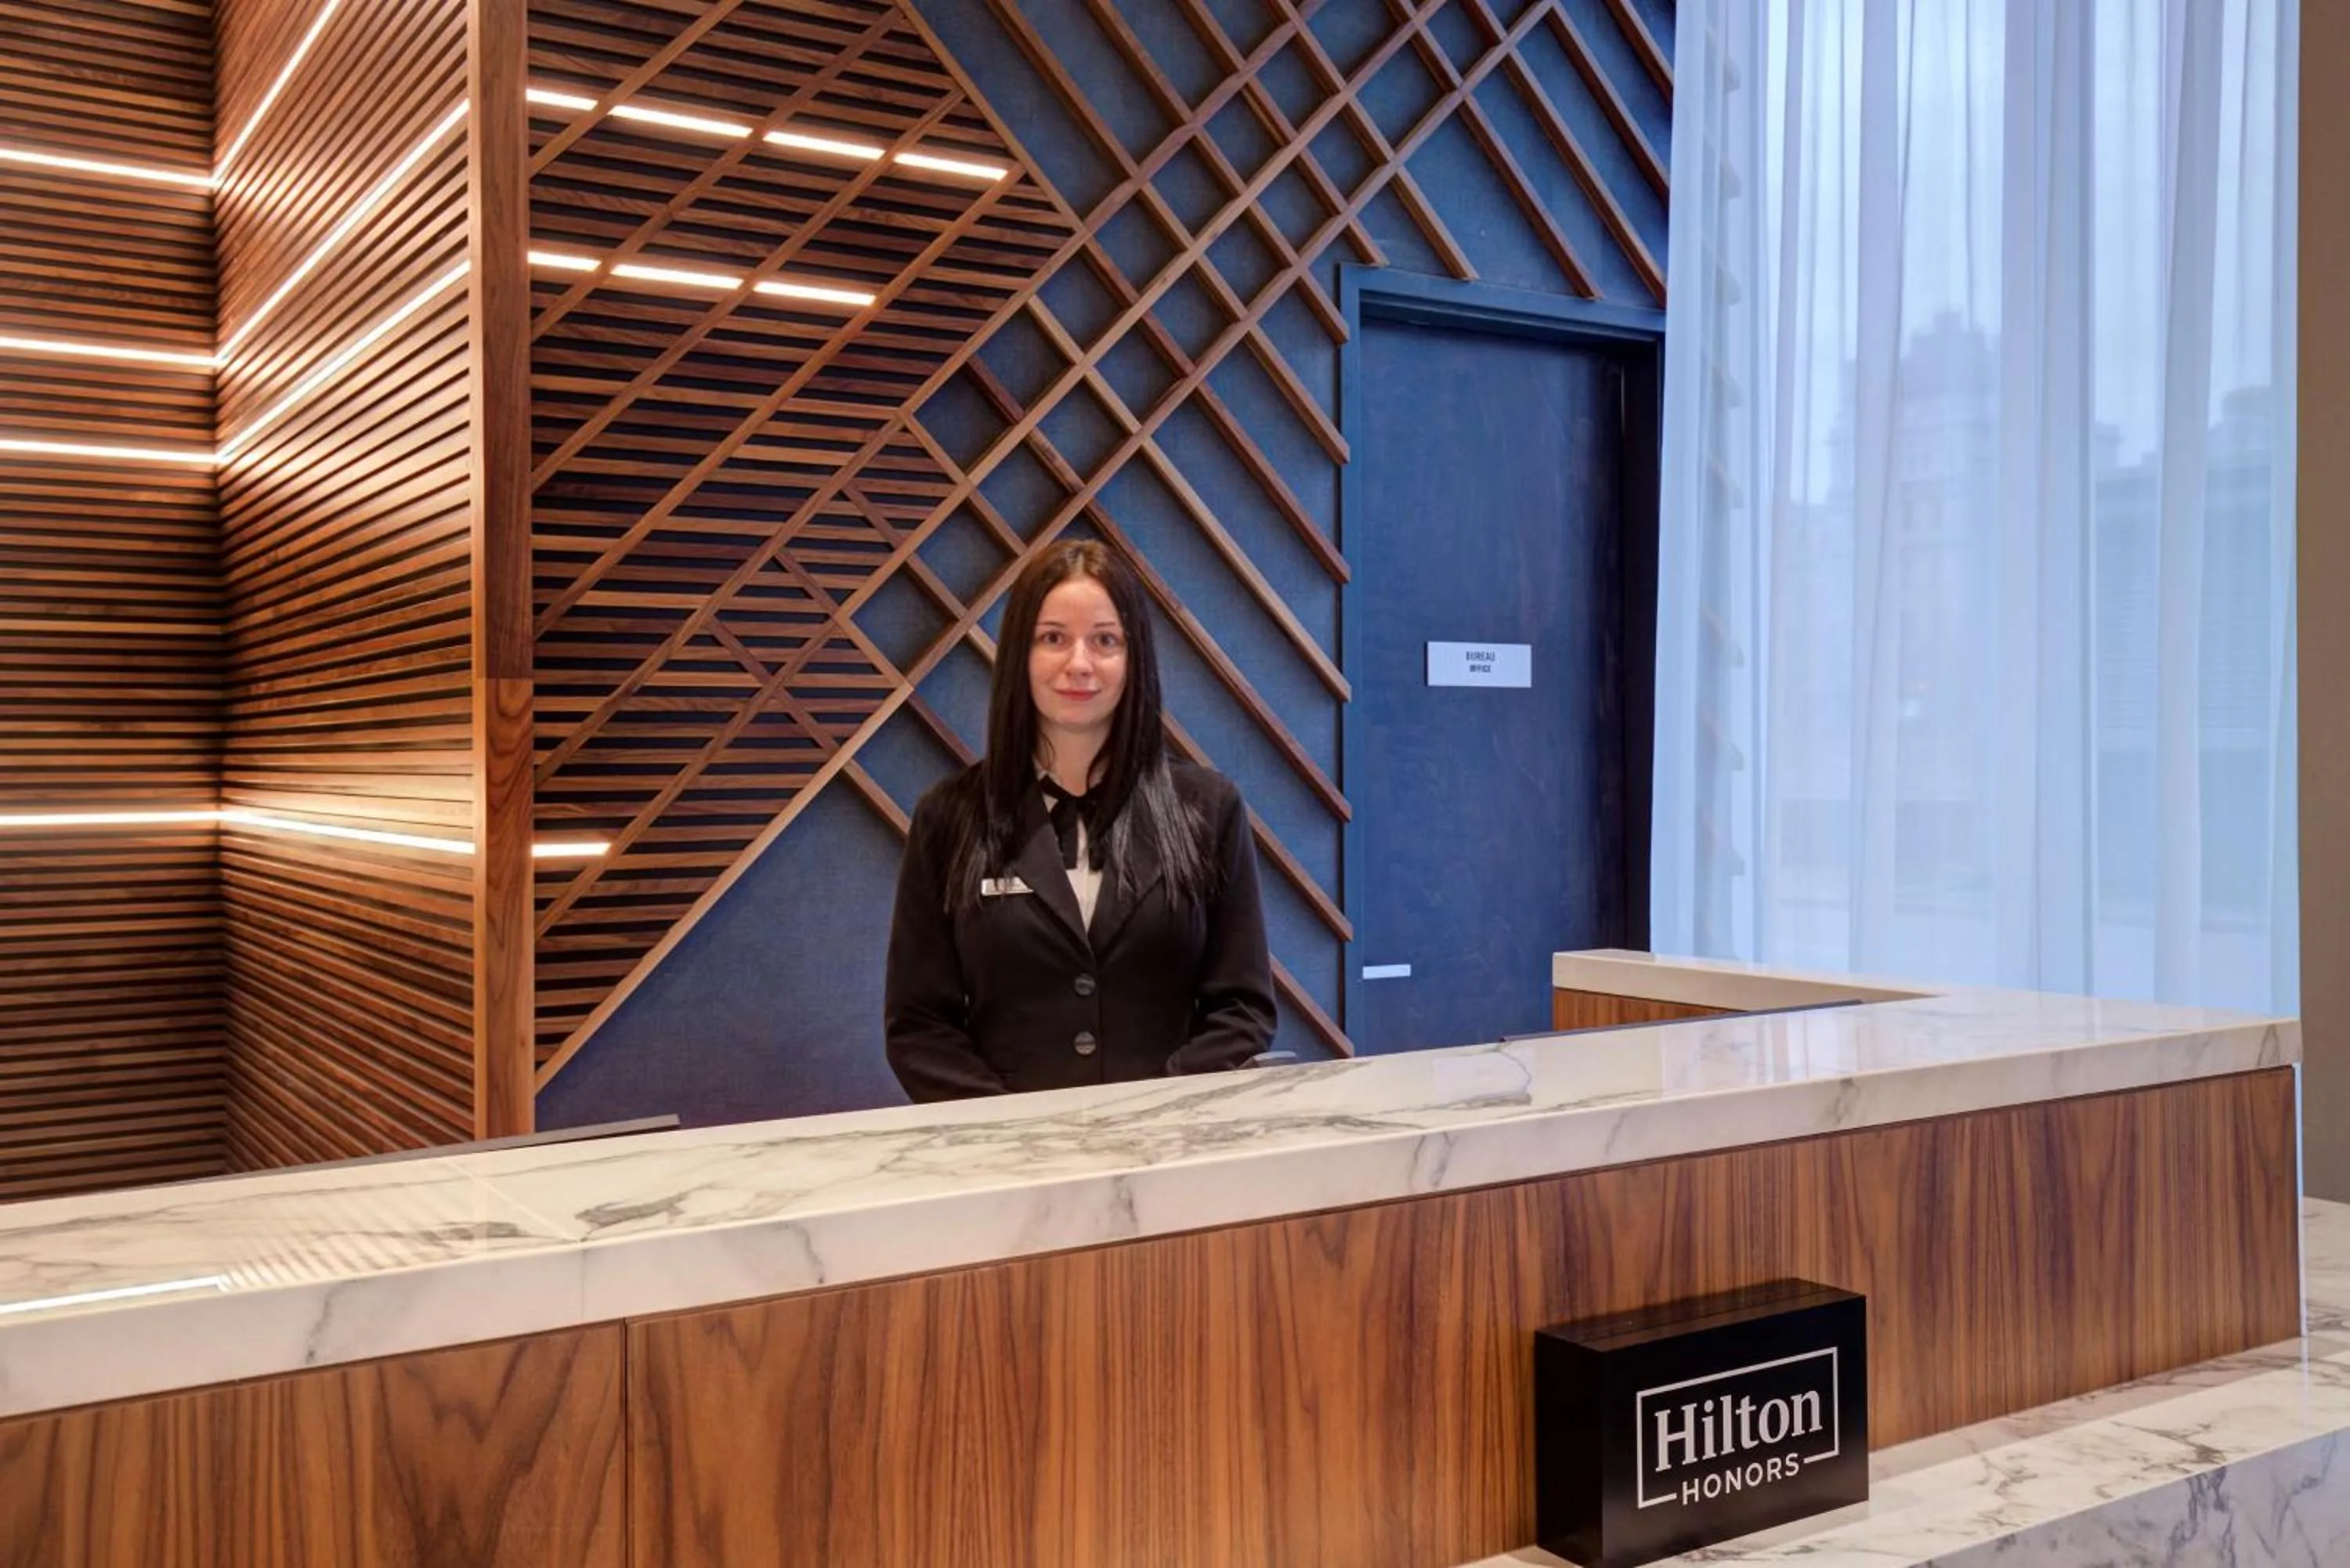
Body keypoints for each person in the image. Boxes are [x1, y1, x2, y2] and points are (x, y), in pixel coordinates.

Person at [884, 540, 1278, 1101]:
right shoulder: (948, 817)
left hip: (1168, 1153)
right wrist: (1011, 1130)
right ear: (1020, 652)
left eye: (1105, 640)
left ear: (1134, 656)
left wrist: (1156, 1112)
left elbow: (1243, 1009)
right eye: (1053, 638)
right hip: (1005, 1161)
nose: (1079, 663)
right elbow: (919, 1026)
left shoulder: (1209, 809)